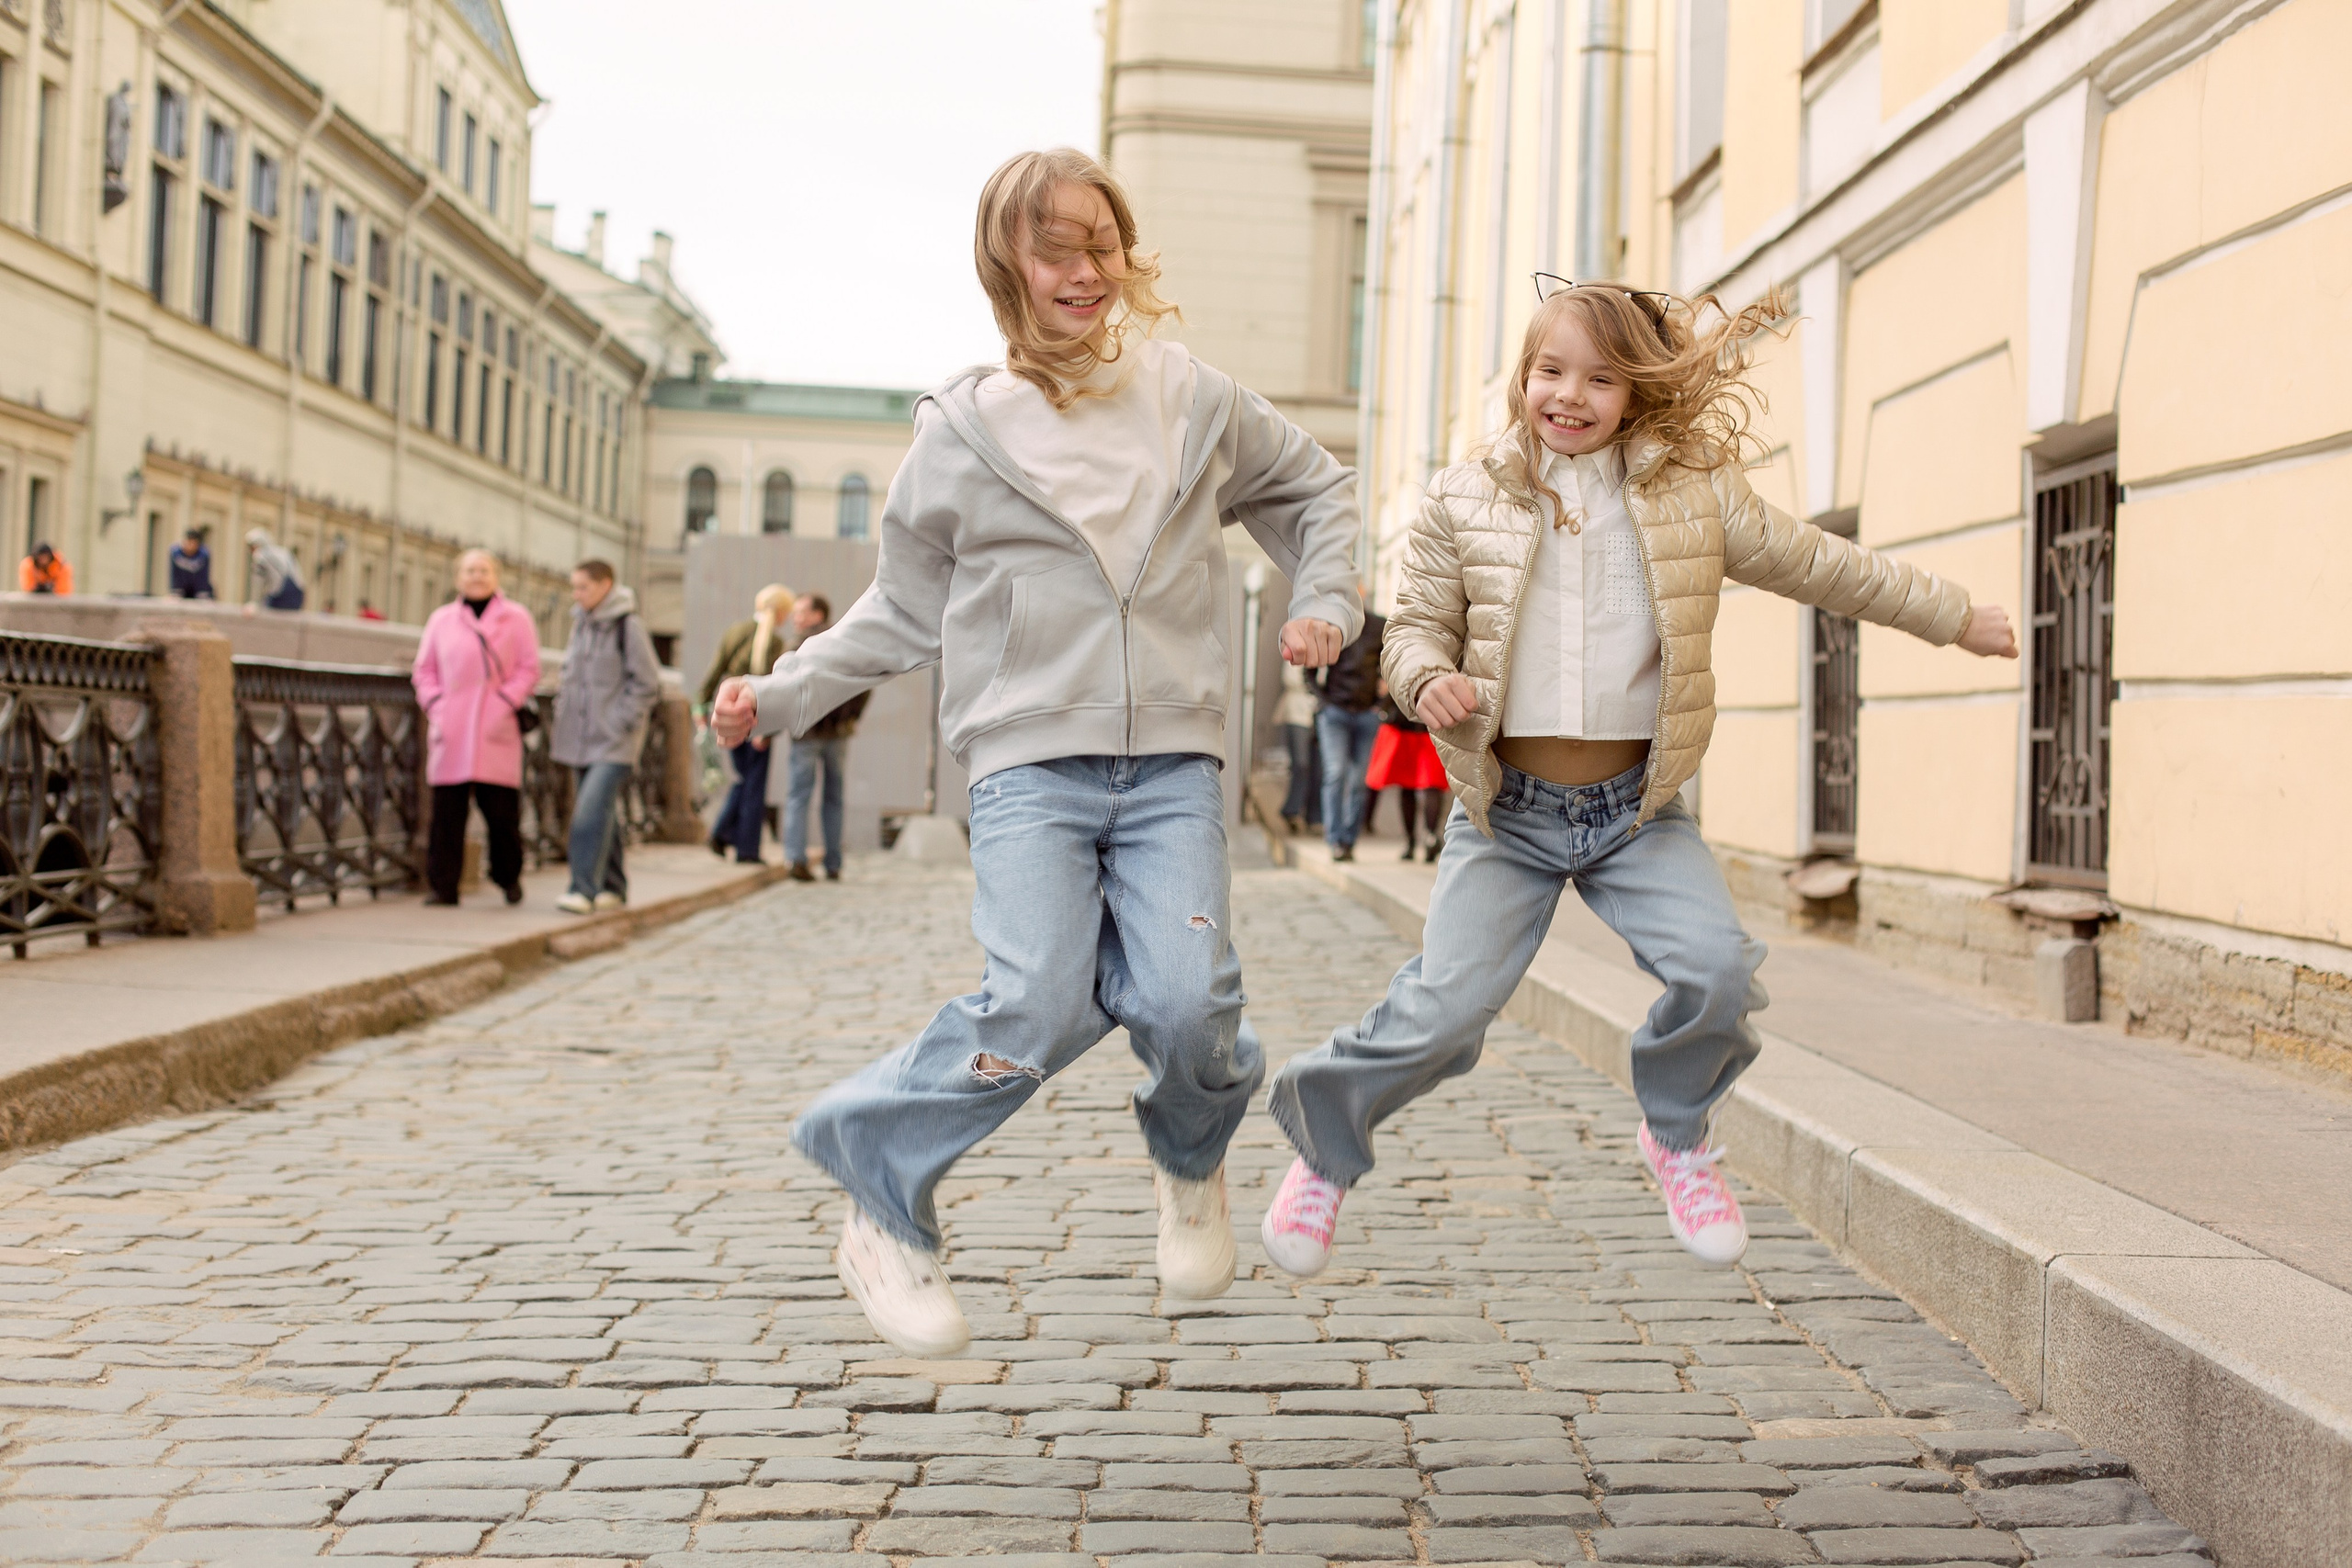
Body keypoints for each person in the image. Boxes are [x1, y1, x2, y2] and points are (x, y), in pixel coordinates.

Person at [711, 147, 1361, 1356]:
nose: (1083, 269)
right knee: (1036, 1002)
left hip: (1172, 762)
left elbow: (1320, 490)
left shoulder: (1191, 397)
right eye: (1054, 247)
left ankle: (1191, 1160)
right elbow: (899, 608)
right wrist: (783, 689)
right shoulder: (963, 428)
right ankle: (881, 1188)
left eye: (1100, 243)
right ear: (1005, 263)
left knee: (1189, 1001)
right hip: (1027, 767)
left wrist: (1324, 598)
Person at [1261, 281, 2018, 1277]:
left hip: (1636, 812)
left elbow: (1825, 565)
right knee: (1443, 1011)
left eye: (1600, 379)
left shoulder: (1692, 496)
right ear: (1522, 378)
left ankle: (1676, 1135)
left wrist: (1953, 616)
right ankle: (1323, 1148)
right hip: (1508, 813)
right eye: (1550, 371)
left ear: (1637, 393)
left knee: (1717, 972)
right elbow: (1411, 630)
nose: (1569, 396)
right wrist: (1425, 677)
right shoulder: (1463, 496)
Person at [411, 549, 541, 906]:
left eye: (484, 570)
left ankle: (508, 877)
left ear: (496, 576)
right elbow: (424, 670)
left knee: (501, 814)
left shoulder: (516, 618)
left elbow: (529, 668)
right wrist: (436, 705)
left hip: (495, 727)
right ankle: (443, 887)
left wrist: (505, 702)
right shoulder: (442, 619)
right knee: (446, 814)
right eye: (470, 570)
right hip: (451, 727)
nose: (477, 576)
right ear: (458, 578)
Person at [548, 558, 662, 915]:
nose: (576, 594)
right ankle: (614, 886)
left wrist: (620, 720)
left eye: (583, 587)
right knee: (602, 811)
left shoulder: (629, 625)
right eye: (574, 587)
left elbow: (648, 683)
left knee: (588, 811)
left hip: (614, 741)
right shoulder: (581, 623)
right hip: (579, 737)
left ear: (605, 586)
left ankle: (582, 889)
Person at [699, 583, 797, 864]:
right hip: (757, 720)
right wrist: (768, 730)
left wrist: (700, 704)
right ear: (781, 612)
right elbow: (776, 689)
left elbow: (716, 670)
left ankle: (723, 833)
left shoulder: (735, 632)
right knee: (754, 784)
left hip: (729, 714)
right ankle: (745, 848)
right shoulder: (775, 643)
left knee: (744, 779)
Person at [780, 594, 865, 883]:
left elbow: (783, 687)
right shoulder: (842, 641)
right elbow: (863, 681)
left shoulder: (798, 646)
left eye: (801, 612)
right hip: (837, 733)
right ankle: (833, 863)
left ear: (818, 614)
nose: (795, 618)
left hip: (806, 732)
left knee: (798, 796)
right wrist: (850, 717)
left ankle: (795, 858)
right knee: (834, 798)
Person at [1312, 610, 1385, 862]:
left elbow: (1391, 664)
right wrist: (1323, 703)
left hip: (1367, 715)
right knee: (1336, 773)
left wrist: (1382, 705)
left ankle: (1349, 841)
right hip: (1335, 713)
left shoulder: (1379, 625)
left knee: (1359, 781)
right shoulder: (1332, 623)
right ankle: (1335, 840)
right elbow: (1309, 671)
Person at [1363, 682, 1447, 862]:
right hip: (1426, 722)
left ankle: (1414, 841)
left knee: (1416, 784)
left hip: (1410, 721)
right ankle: (1429, 838)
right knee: (1427, 783)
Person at [1275, 661, 1321, 836]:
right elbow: (1290, 678)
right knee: (1301, 764)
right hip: (1297, 713)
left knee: (1319, 768)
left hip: (1321, 712)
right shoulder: (1296, 650)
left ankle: (1314, 817)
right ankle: (1292, 810)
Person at [246, 527, 306, 610]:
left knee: (266, 612)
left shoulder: (260, 555)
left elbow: (258, 581)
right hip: (298, 594)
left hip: (281, 593)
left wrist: (254, 602)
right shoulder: (283, 552)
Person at [167, 529, 214, 599]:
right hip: (181, 588)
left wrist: (203, 591)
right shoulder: (176, 553)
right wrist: (175, 590)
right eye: (189, 542)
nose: (191, 546)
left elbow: (204, 575)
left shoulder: (203, 555)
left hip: (197, 589)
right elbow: (174, 573)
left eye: (194, 543)